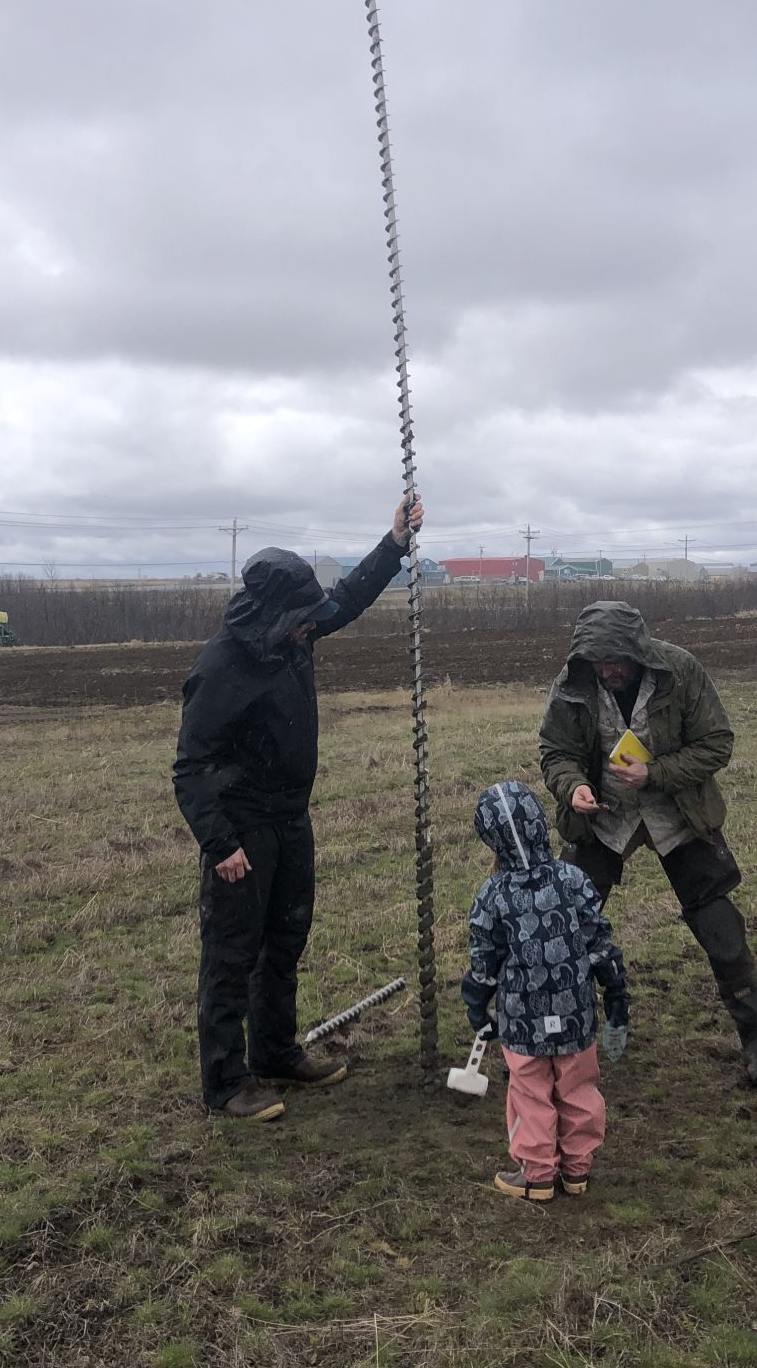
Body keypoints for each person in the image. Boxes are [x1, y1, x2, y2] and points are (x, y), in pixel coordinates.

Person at [174, 493, 424, 1121]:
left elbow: (346, 600)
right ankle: (226, 1084)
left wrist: (393, 544)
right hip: (241, 825)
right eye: (302, 619)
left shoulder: (292, 637)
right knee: (233, 952)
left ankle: (277, 1054)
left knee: (285, 938)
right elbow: (191, 766)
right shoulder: (222, 668)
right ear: (270, 615)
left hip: (291, 815)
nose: (314, 626)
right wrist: (220, 841)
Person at [538, 600, 757, 1088]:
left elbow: (718, 742)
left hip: (677, 811)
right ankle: (558, 1039)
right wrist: (573, 788)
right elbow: (555, 750)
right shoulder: (573, 684)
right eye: (596, 661)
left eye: (615, 660)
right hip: (603, 818)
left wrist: (655, 773)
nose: (606, 670)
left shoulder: (681, 671)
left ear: (639, 653)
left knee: (721, 927)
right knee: (562, 921)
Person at [461, 780, 629, 1201]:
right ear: (540, 823)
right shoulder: (573, 879)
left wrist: (479, 1013)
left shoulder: (492, 896)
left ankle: (536, 1174)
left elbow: (484, 965)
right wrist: (616, 998)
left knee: (530, 1093)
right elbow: (601, 946)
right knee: (577, 1089)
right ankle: (577, 1170)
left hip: (523, 1024)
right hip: (576, 1016)